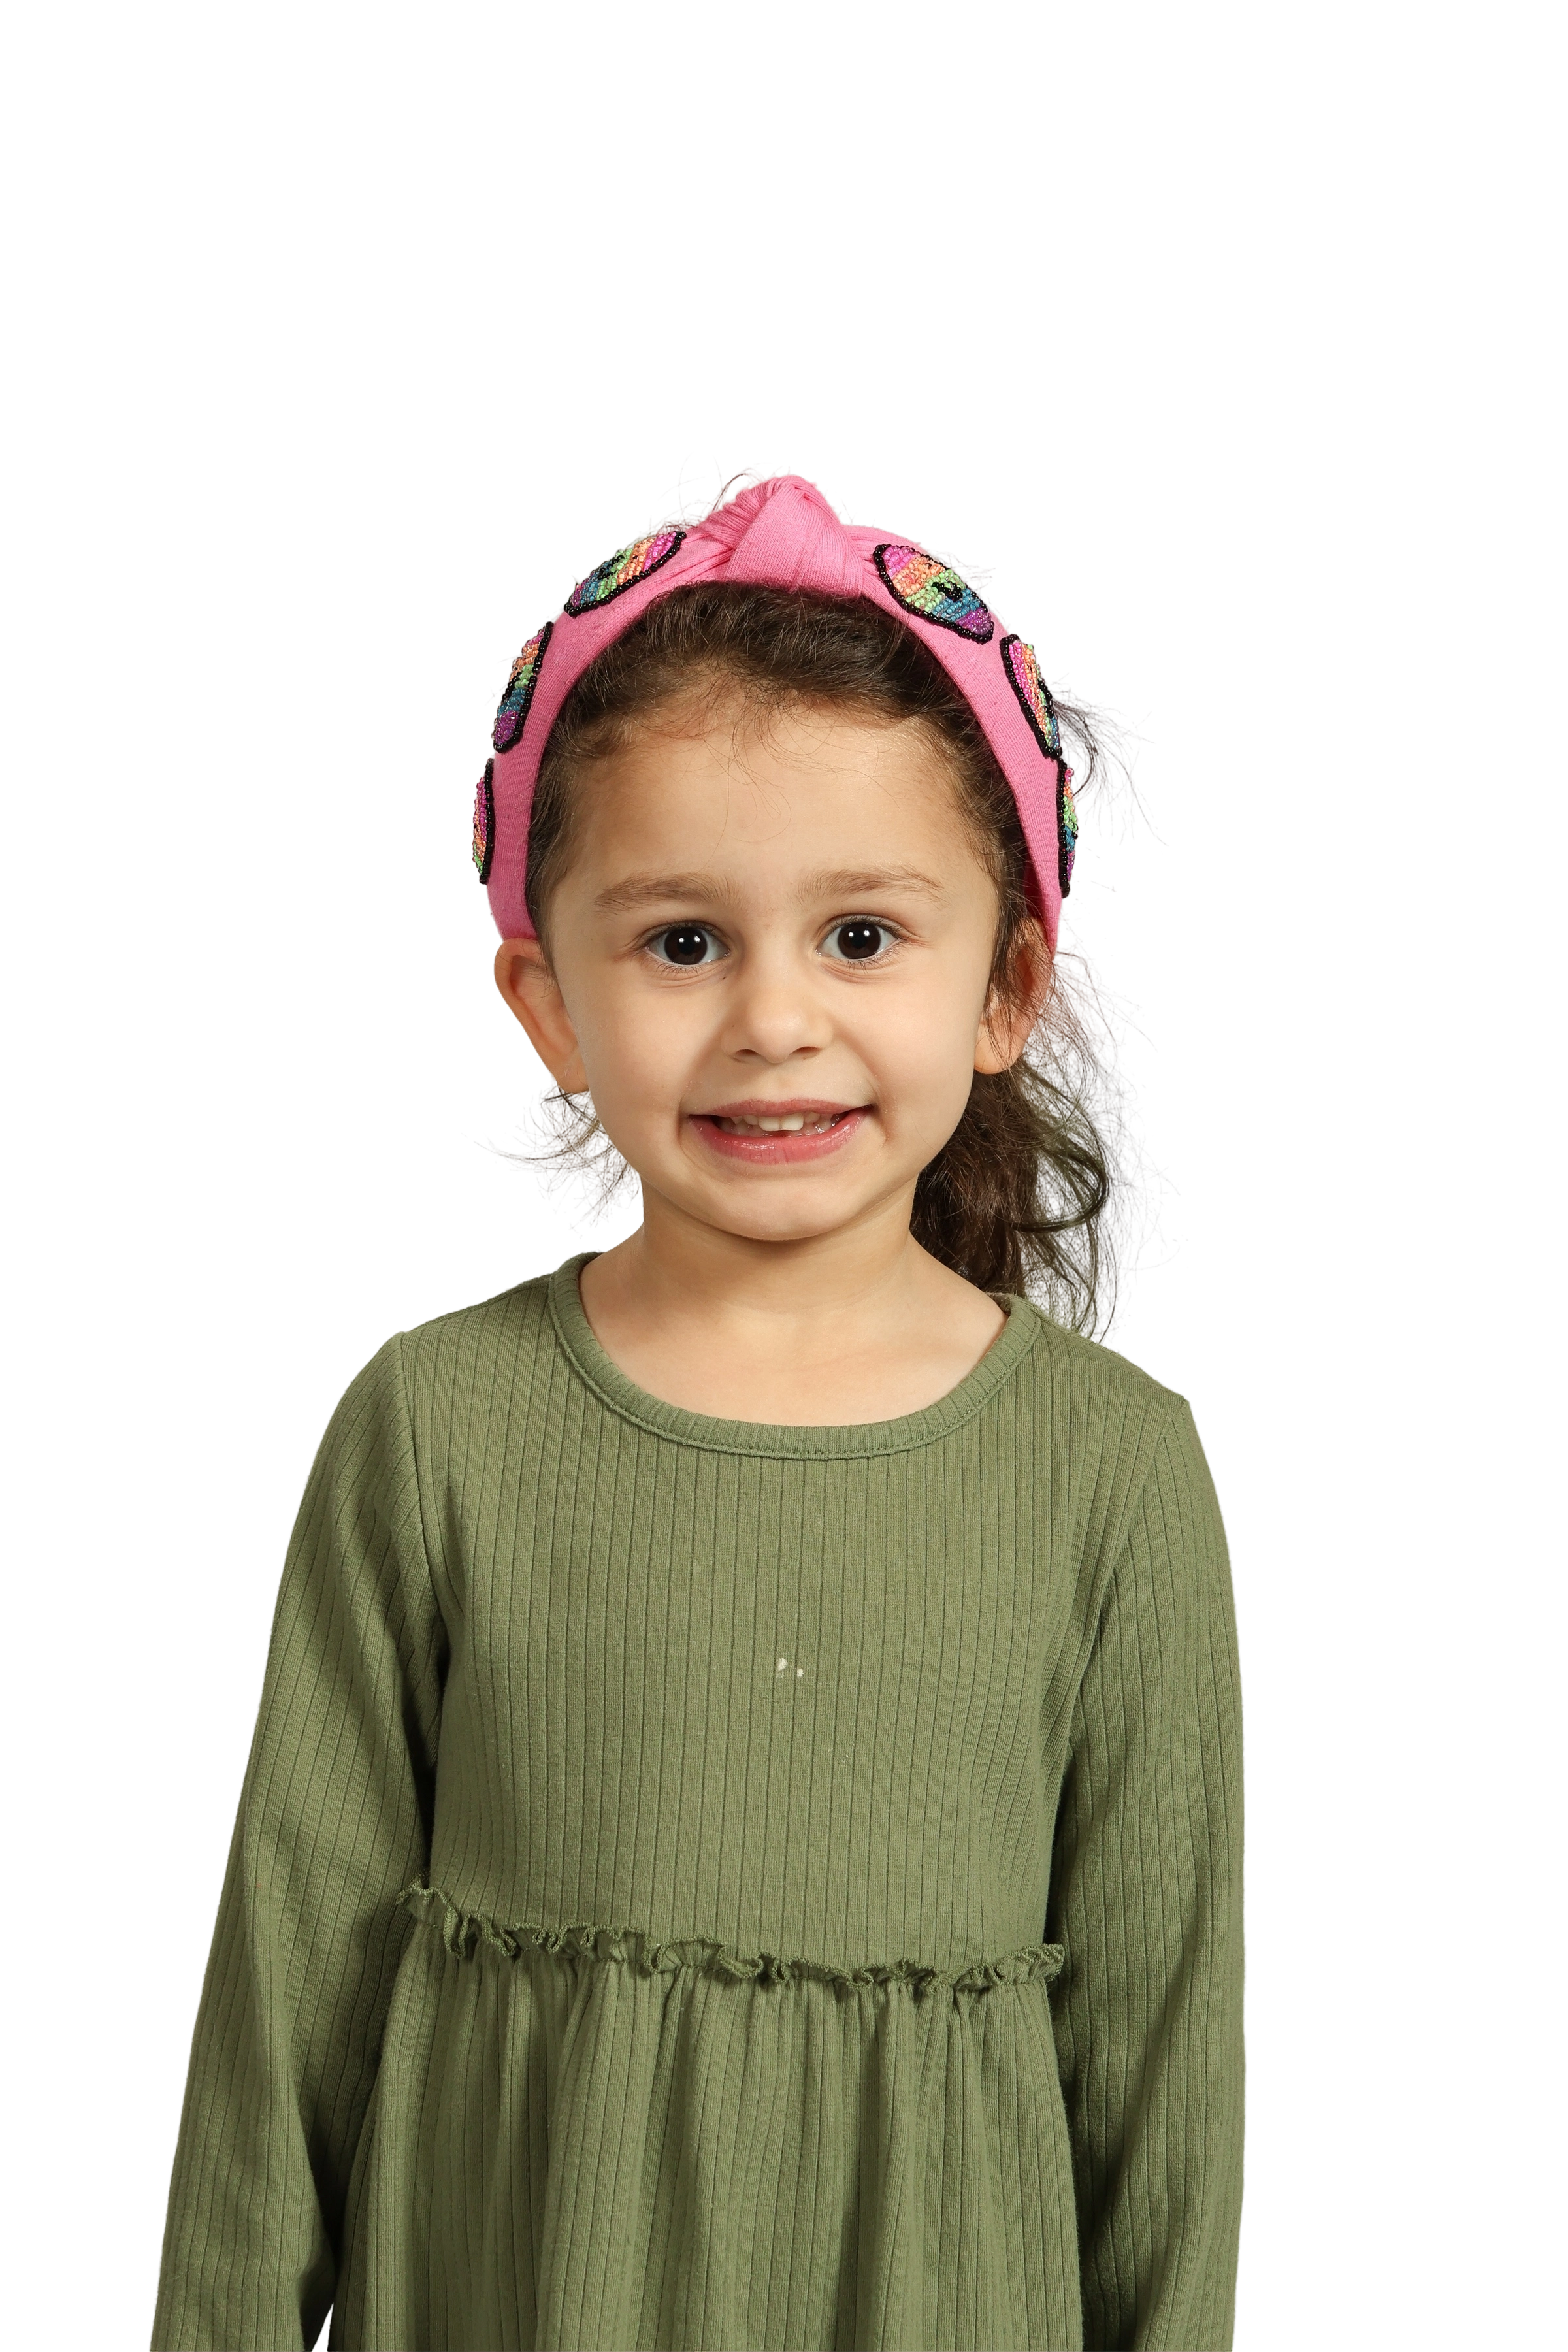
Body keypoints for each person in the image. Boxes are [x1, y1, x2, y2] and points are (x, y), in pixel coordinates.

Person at [150, 466, 1244, 2352]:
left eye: (862, 935)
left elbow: (1167, 2082)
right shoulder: (431, 1427)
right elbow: (282, 2004)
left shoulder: (1110, 1472)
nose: (773, 1021)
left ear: (1007, 981)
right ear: (545, 999)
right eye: (681, 941)